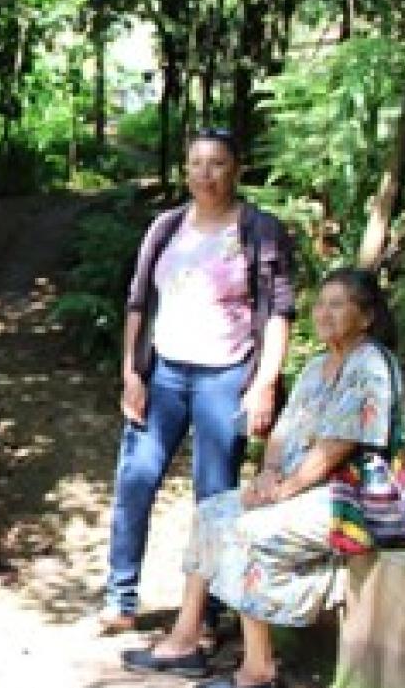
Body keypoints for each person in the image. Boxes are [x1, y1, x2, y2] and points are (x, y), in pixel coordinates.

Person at [121, 268, 405, 688]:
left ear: (367, 316)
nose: (324, 313)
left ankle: (259, 674)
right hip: (309, 489)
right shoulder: (319, 366)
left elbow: (339, 446)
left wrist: (285, 490)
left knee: (248, 530)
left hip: (360, 498)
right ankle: (185, 641)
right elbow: (282, 433)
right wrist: (266, 474)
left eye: (338, 305)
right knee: (214, 511)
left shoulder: (371, 364)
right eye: (320, 304)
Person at [100, 128, 297, 633]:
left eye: (217, 164)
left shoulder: (259, 230)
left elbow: (278, 312)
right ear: (185, 170)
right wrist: (131, 372)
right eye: (197, 164)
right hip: (163, 372)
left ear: (236, 169)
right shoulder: (165, 229)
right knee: (136, 478)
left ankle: (205, 610)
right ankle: (120, 597)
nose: (205, 174)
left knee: (214, 495)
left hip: (226, 374)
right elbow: (139, 304)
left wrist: (264, 383)